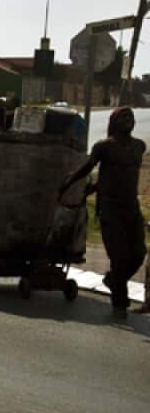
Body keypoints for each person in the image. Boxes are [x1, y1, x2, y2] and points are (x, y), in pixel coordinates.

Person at [59, 107, 146, 320]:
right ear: (114, 122)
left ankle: (113, 280)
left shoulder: (139, 146)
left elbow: (118, 175)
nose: (128, 121)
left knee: (138, 254)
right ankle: (119, 303)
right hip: (110, 210)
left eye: (131, 118)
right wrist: (69, 182)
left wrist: (97, 186)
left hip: (132, 209)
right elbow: (89, 167)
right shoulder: (104, 147)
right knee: (120, 257)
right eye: (123, 118)